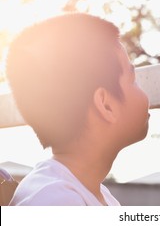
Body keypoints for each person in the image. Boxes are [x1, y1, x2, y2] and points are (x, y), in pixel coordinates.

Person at [6, 13, 150, 205]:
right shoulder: (55, 202)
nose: (145, 93)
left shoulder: (95, 195)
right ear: (106, 105)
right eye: (133, 80)